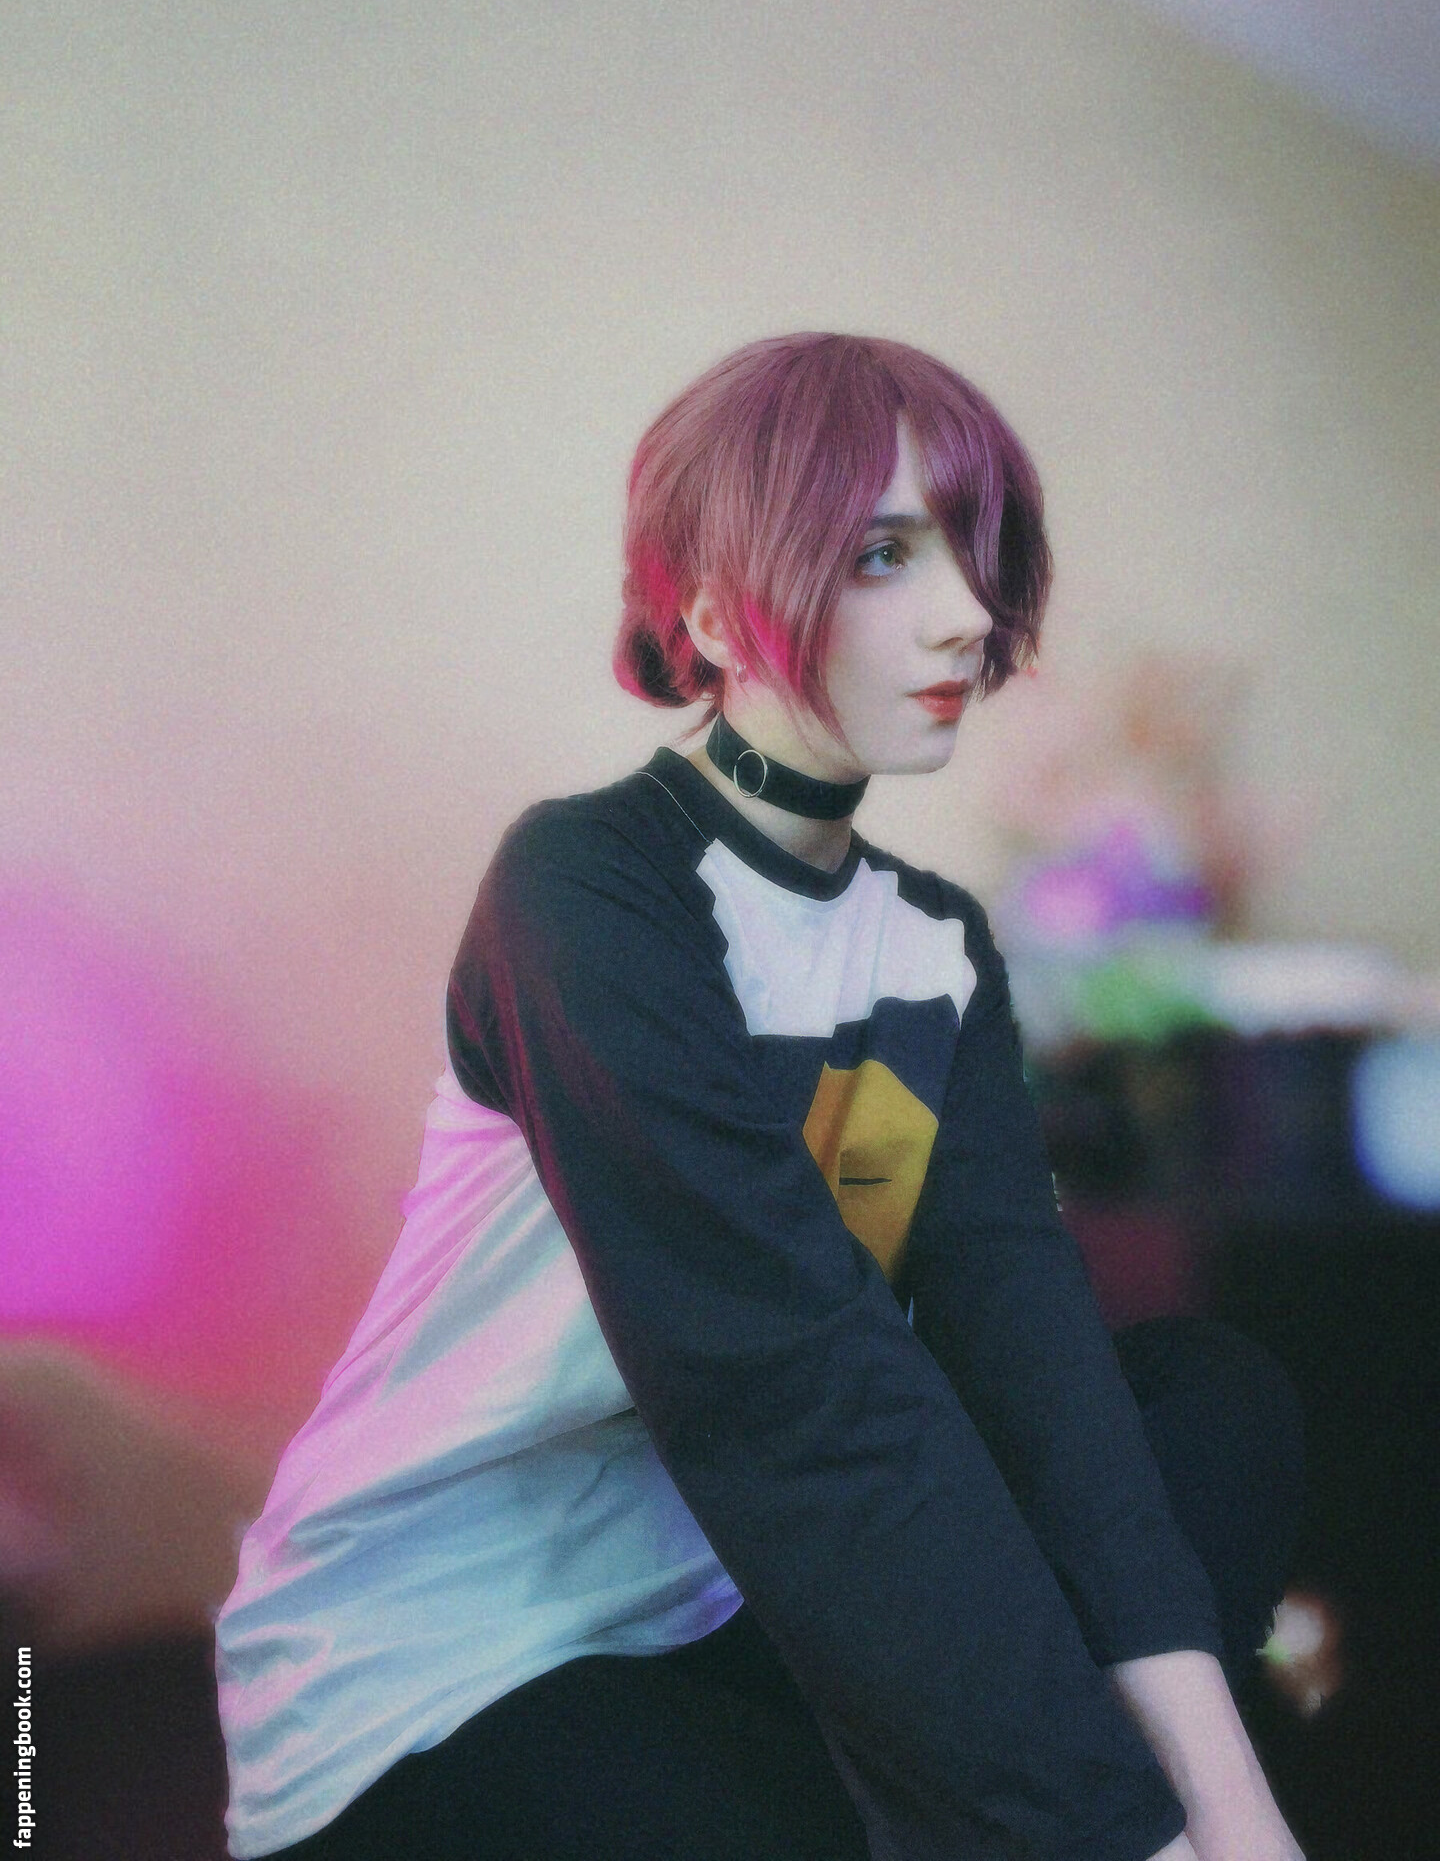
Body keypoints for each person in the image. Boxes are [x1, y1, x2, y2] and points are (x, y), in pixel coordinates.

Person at [214, 333, 1306, 1860]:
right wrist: (1126, 1839)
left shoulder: (936, 947)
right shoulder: (587, 887)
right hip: (445, 1655)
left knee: (1201, 1408)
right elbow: (792, 1390)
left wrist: (1236, 1822)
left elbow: (1026, 1355)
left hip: (733, 1590)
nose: (967, 614)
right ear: (720, 612)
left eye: (973, 552)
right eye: (883, 555)